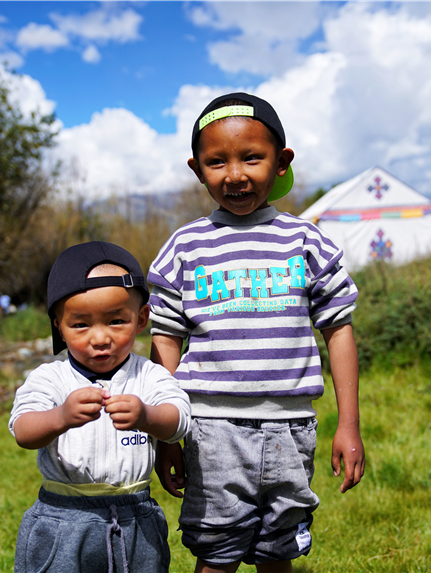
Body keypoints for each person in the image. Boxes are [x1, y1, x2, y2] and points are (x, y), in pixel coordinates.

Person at [148, 92, 365, 573]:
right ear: (197, 170)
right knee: (216, 553)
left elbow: (339, 329)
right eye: (216, 162)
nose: (235, 175)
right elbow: (164, 340)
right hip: (210, 431)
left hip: (292, 429)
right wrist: (167, 437)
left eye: (252, 157)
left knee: (278, 551)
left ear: (281, 160)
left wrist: (348, 424)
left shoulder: (305, 241)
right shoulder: (185, 247)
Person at [10, 241, 191, 573]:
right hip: (62, 518)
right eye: (80, 324)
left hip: (137, 516)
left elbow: (178, 418)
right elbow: (23, 431)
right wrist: (60, 417)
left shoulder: (148, 375)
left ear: (141, 319)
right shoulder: (51, 378)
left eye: (115, 321)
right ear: (58, 326)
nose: (99, 338)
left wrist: (147, 416)